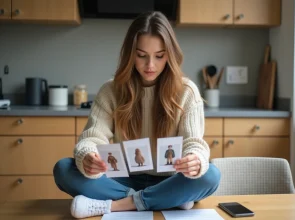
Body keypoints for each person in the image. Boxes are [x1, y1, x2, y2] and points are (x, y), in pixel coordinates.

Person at [53, 11, 221, 219]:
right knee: (63, 169)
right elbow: (92, 137)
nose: (150, 65)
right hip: (122, 178)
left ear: (170, 54)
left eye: (159, 56)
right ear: (130, 54)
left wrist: (194, 160)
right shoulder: (111, 90)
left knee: (211, 175)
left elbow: (194, 142)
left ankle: (119, 205)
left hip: (170, 179)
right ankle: (167, 200)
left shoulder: (187, 92)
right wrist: (88, 157)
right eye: (141, 55)